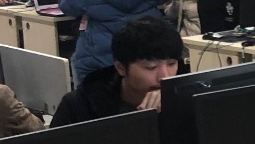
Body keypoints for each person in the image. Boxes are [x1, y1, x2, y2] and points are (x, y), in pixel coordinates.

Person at [50, 17, 184, 126]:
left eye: (171, 64)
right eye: (151, 67)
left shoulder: (187, 96)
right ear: (121, 68)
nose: (165, 76)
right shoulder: (80, 105)